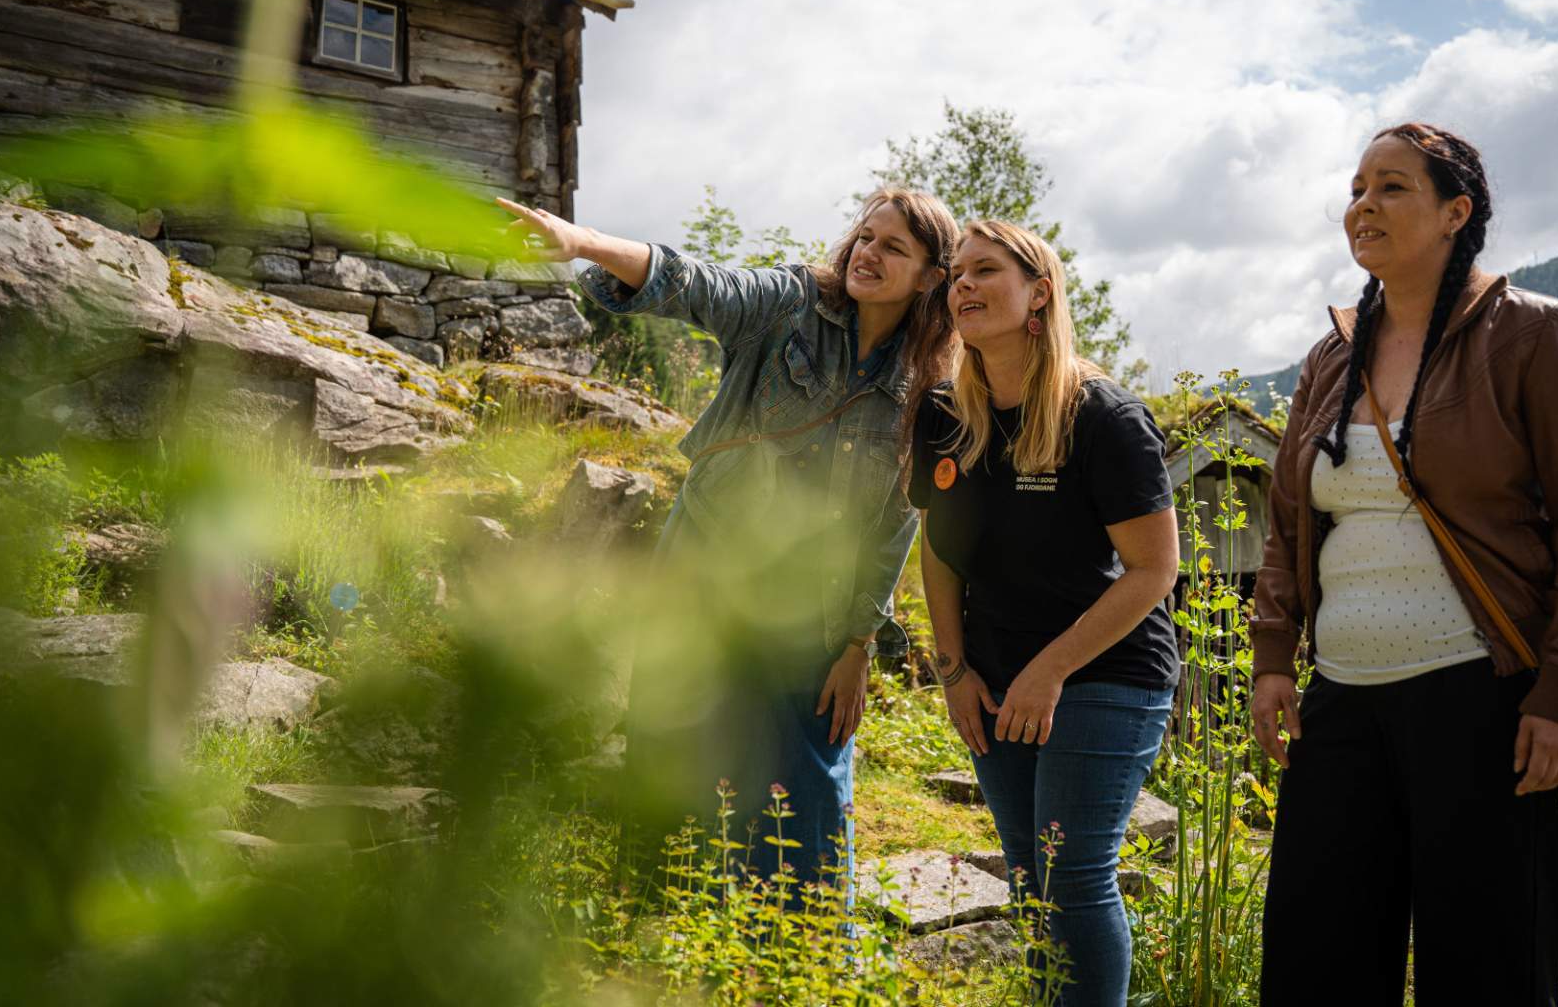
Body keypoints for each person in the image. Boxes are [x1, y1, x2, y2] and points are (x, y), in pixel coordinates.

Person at [1248, 123, 1558, 1005]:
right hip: (1339, 699)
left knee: (1486, 967)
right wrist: (1275, 656)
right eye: (1355, 188)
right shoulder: (1331, 355)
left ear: (1456, 213)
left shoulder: (1536, 332)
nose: (1362, 206)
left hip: (1483, 699)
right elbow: (1287, 521)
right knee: (1316, 962)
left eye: (1391, 187)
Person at [497, 190, 959, 889]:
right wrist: (584, 240)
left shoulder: (927, 386)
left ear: (930, 277)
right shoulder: (789, 304)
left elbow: (893, 523)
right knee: (675, 754)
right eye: (866, 237)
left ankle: (805, 963)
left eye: (894, 248)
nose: (868, 253)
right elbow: (698, 283)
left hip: (816, 611)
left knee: (807, 794)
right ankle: (659, 940)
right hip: (703, 577)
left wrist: (860, 644)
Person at [910, 220, 1179, 1006]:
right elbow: (939, 552)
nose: (962, 284)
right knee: (1029, 874)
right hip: (992, 680)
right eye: (956, 273)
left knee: (1072, 875)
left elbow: (1153, 570)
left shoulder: (1104, 416)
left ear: (1040, 291)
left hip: (1104, 675)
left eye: (985, 269)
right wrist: (954, 670)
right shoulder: (943, 413)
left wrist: (1049, 671)